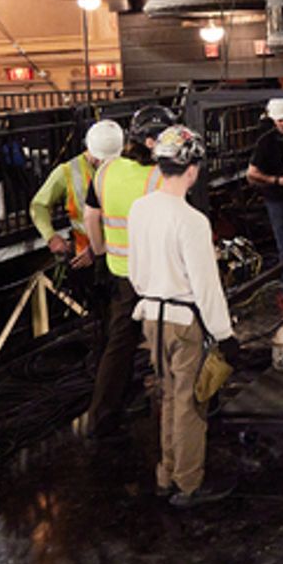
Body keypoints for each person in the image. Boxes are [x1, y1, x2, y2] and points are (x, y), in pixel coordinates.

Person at [129, 124, 237, 508]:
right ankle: (189, 484)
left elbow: (134, 271)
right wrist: (225, 335)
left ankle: (166, 475)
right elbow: (206, 286)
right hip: (184, 319)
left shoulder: (140, 209)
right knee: (190, 403)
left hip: (151, 316)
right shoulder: (191, 221)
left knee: (168, 398)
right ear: (192, 170)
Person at [83, 103, 175, 439]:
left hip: (121, 271)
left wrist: (100, 250)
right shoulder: (160, 176)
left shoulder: (105, 173)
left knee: (119, 343)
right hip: (158, 274)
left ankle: (101, 417)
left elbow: (91, 217)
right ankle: (175, 422)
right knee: (168, 342)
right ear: (152, 142)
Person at [30, 119, 124, 357]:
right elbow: (39, 205)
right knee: (105, 320)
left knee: (121, 322)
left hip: (119, 256)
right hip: (89, 261)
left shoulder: (123, 167)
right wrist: (51, 238)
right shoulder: (67, 172)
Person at [248, 98, 283, 310]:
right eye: (281, 121)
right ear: (274, 121)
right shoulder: (266, 143)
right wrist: (278, 181)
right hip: (278, 200)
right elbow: (251, 175)